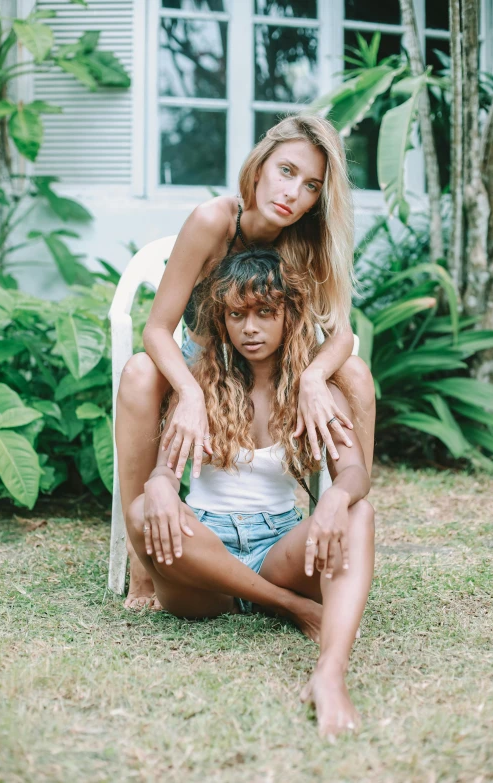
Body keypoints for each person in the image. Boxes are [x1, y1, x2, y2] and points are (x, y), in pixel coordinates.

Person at [116, 115, 376, 609]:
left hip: (278, 364)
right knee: (137, 374)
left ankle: (335, 526)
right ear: (259, 167)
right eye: (286, 171)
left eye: (311, 186)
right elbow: (155, 329)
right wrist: (190, 393)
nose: (292, 192)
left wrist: (316, 376)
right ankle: (141, 560)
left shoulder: (310, 240)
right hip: (202, 360)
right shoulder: (214, 220)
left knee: (357, 376)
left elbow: (342, 334)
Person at [126, 249, 375, 739]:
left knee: (359, 514)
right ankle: (289, 606)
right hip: (205, 567)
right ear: (222, 321)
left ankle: (329, 675)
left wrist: (332, 498)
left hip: (278, 546)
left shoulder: (316, 392)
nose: (251, 328)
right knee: (141, 510)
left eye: (266, 312)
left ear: (290, 315)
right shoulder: (199, 382)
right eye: (237, 315)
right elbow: (163, 471)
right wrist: (159, 487)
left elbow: (355, 474)